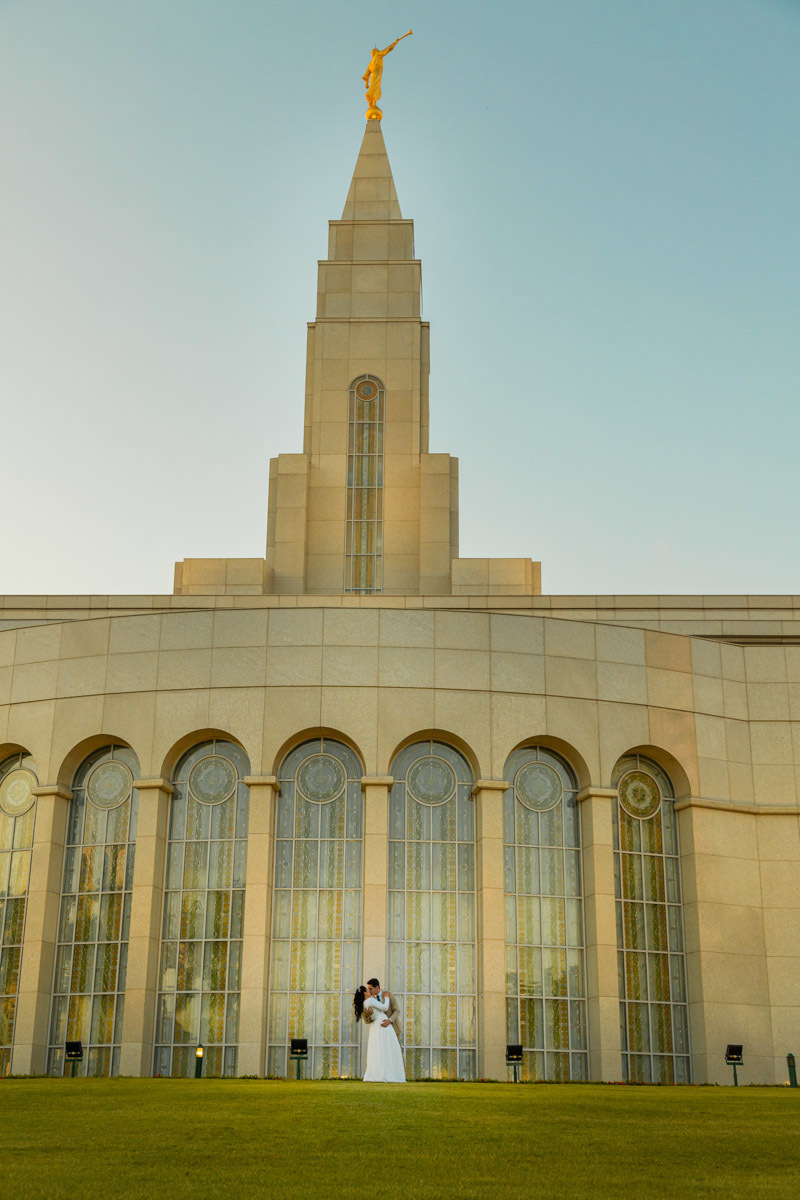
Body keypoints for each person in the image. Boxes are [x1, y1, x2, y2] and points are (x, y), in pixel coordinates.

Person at [353, 977, 405, 1082]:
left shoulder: (388, 995)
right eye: (368, 989)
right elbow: (367, 1020)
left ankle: (394, 1075)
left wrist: (389, 1020)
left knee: (393, 1053)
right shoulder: (369, 1001)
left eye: (371, 988)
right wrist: (367, 1016)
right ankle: (384, 1075)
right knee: (380, 1053)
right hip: (379, 1029)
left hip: (392, 1028)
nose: (370, 991)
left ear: (377, 987)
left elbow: (397, 1011)